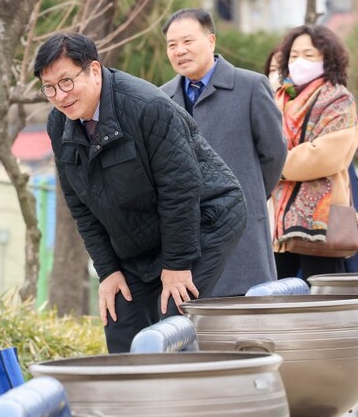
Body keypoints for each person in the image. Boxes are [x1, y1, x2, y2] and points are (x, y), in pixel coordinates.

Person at [35, 32, 246, 354]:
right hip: (139, 231)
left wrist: (177, 265)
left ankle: (187, 400)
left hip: (204, 218)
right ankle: (132, 402)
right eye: (49, 88)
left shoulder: (147, 107)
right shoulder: (59, 123)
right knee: (119, 315)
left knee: (171, 322)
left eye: (66, 82)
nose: (59, 96)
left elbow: (180, 190)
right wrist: (108, 271)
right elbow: (80, 203)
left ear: (93, 70)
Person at [160, 8, 286, 297]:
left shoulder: (251, 86)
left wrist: (246, 195)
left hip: (243, 234)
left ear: (211, 40)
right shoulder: (161, 98)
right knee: (196, 325)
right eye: (172, 45)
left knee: (248, 321)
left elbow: (274, 154)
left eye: (188, 41)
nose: (180, 51)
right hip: (187, 236)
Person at [271, 24, 358, 280]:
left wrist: (274, 164)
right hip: (277, 221)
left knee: (322, 293)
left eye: (309, 55)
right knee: (275, 294)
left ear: (327, 58)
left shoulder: (338, 98)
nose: (299, 61)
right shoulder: (278, 98)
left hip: (322, 223)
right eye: (294, 55)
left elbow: (325, 156)